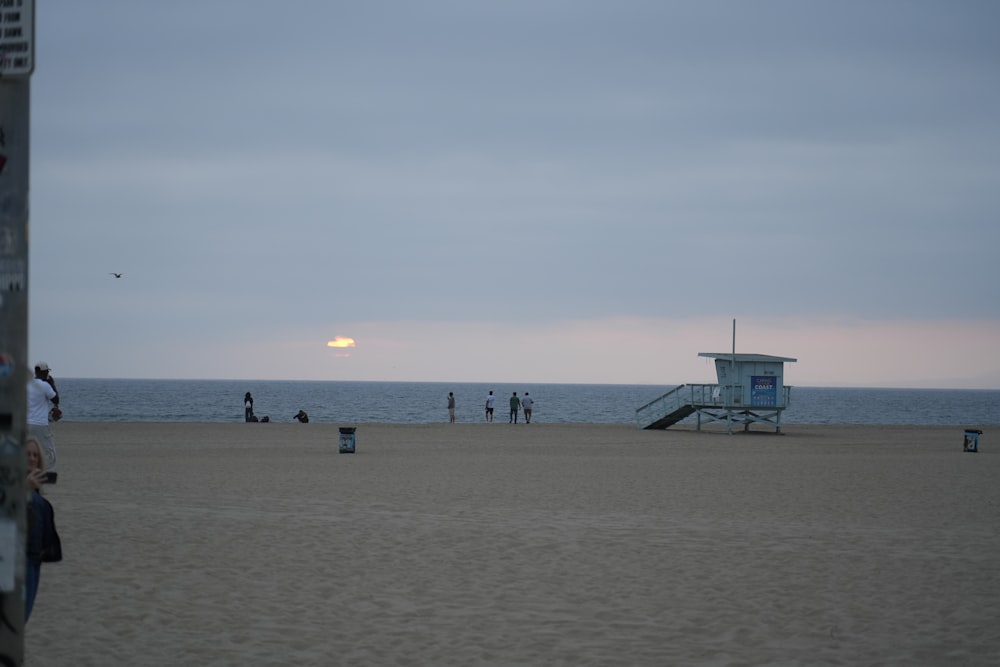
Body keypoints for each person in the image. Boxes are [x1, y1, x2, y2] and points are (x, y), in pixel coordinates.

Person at [25, 436, 61, 622]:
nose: (31, 458)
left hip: (34, 561)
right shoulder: (13, 487)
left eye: (35, 455)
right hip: (20, 561)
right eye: (27, 454)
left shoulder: (36, 490)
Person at [27, 362, 60, 483]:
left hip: (26, 422)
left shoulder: (28, 384)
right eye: (47, 372)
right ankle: (50, 476)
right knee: (49, 450)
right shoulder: (45, 385)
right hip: (40, 423)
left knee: (27, 449)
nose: (48, 374)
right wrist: (52, 383)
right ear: (44, 372)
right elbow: (56, 399)